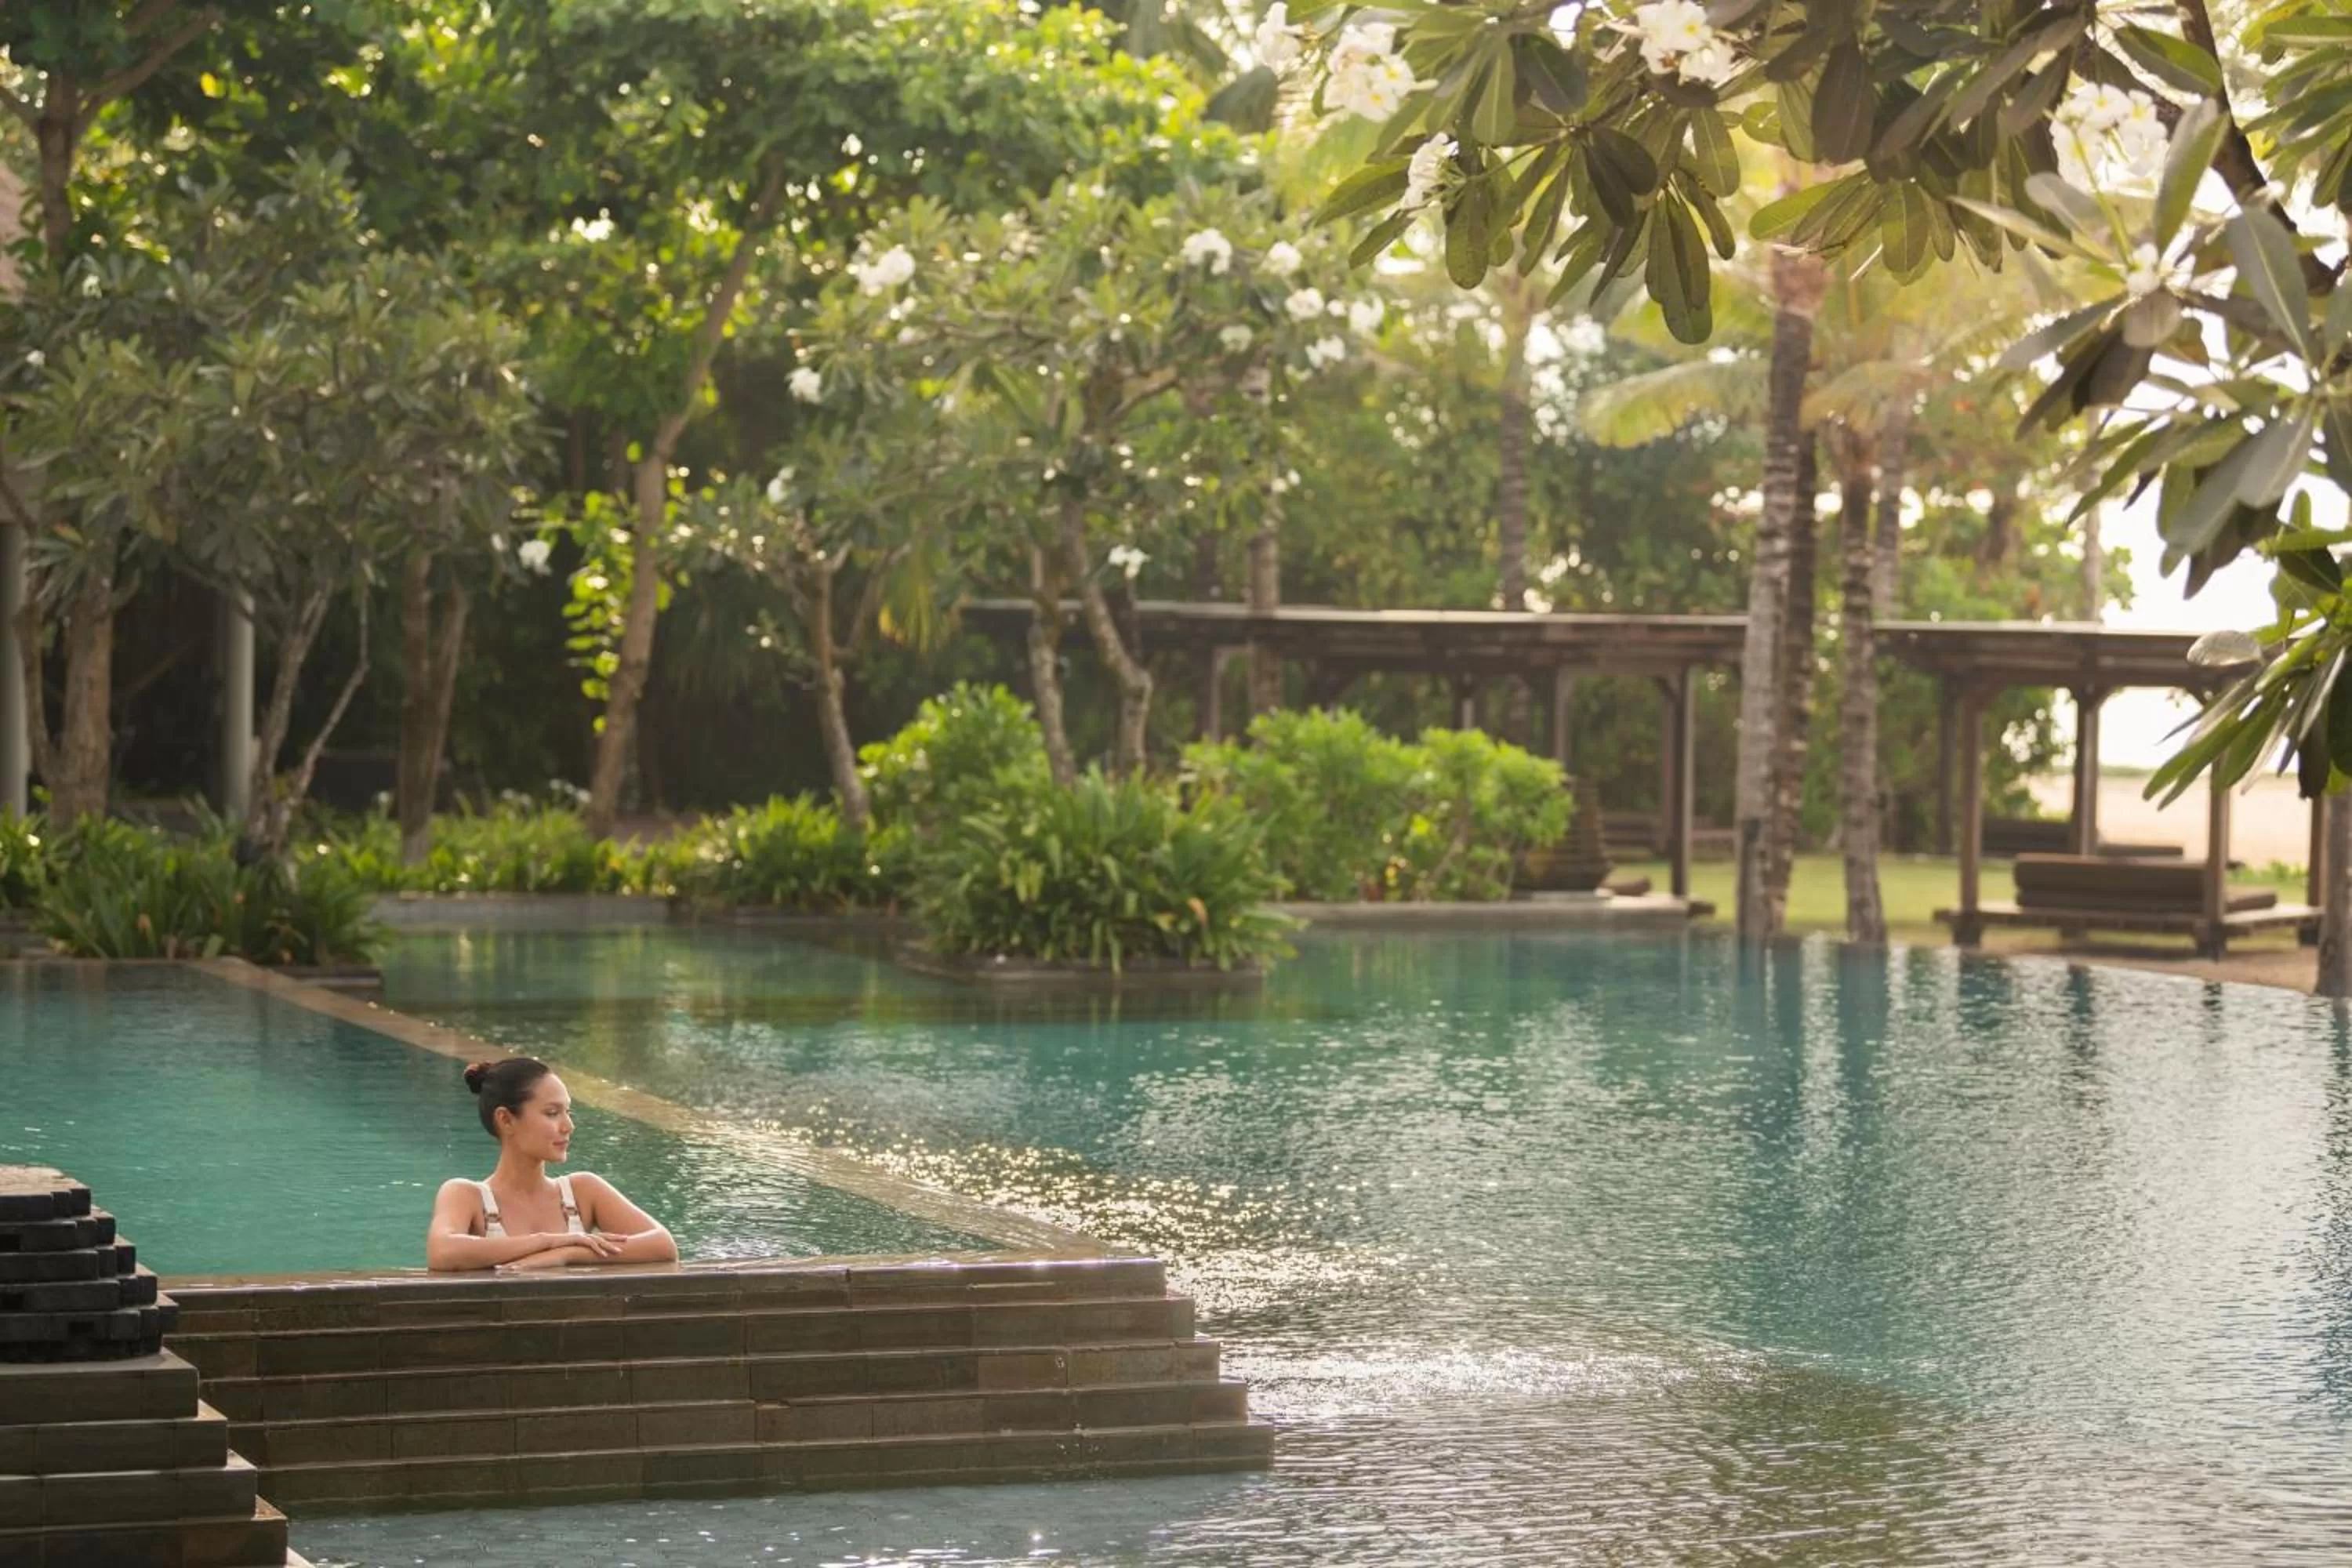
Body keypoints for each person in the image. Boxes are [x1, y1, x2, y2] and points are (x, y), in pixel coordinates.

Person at [426, 1056, 679, 1272]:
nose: (568, 1126)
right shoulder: (466, 1195)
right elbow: (442, 1252)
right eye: (552, 1113)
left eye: (568, 1112)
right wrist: (547, 1241)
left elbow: (663, 1246)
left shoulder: (583, 1191)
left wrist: (568, 1253)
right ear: (506, 1120)